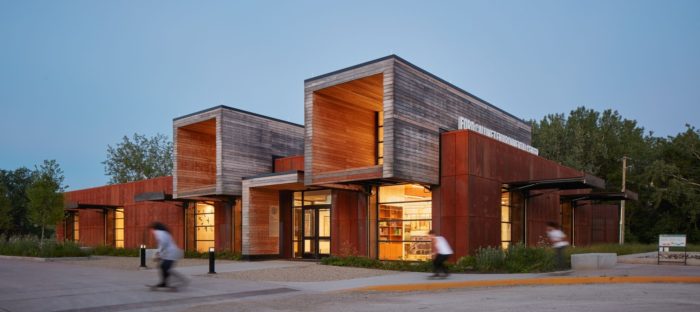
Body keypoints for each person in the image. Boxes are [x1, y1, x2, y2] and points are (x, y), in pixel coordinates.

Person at [149, 222, 187, 289]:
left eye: (151, 230)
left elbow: (163, 243)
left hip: (171, 253)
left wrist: (158, 254)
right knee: (163, 267)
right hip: (171, 253)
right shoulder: (164, 233)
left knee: (165, 268)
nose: (151, 231)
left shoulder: (159, 233)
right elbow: (162, 244)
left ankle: (181, 279)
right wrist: (159, 254)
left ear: (153, 229)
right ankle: (164, 283)